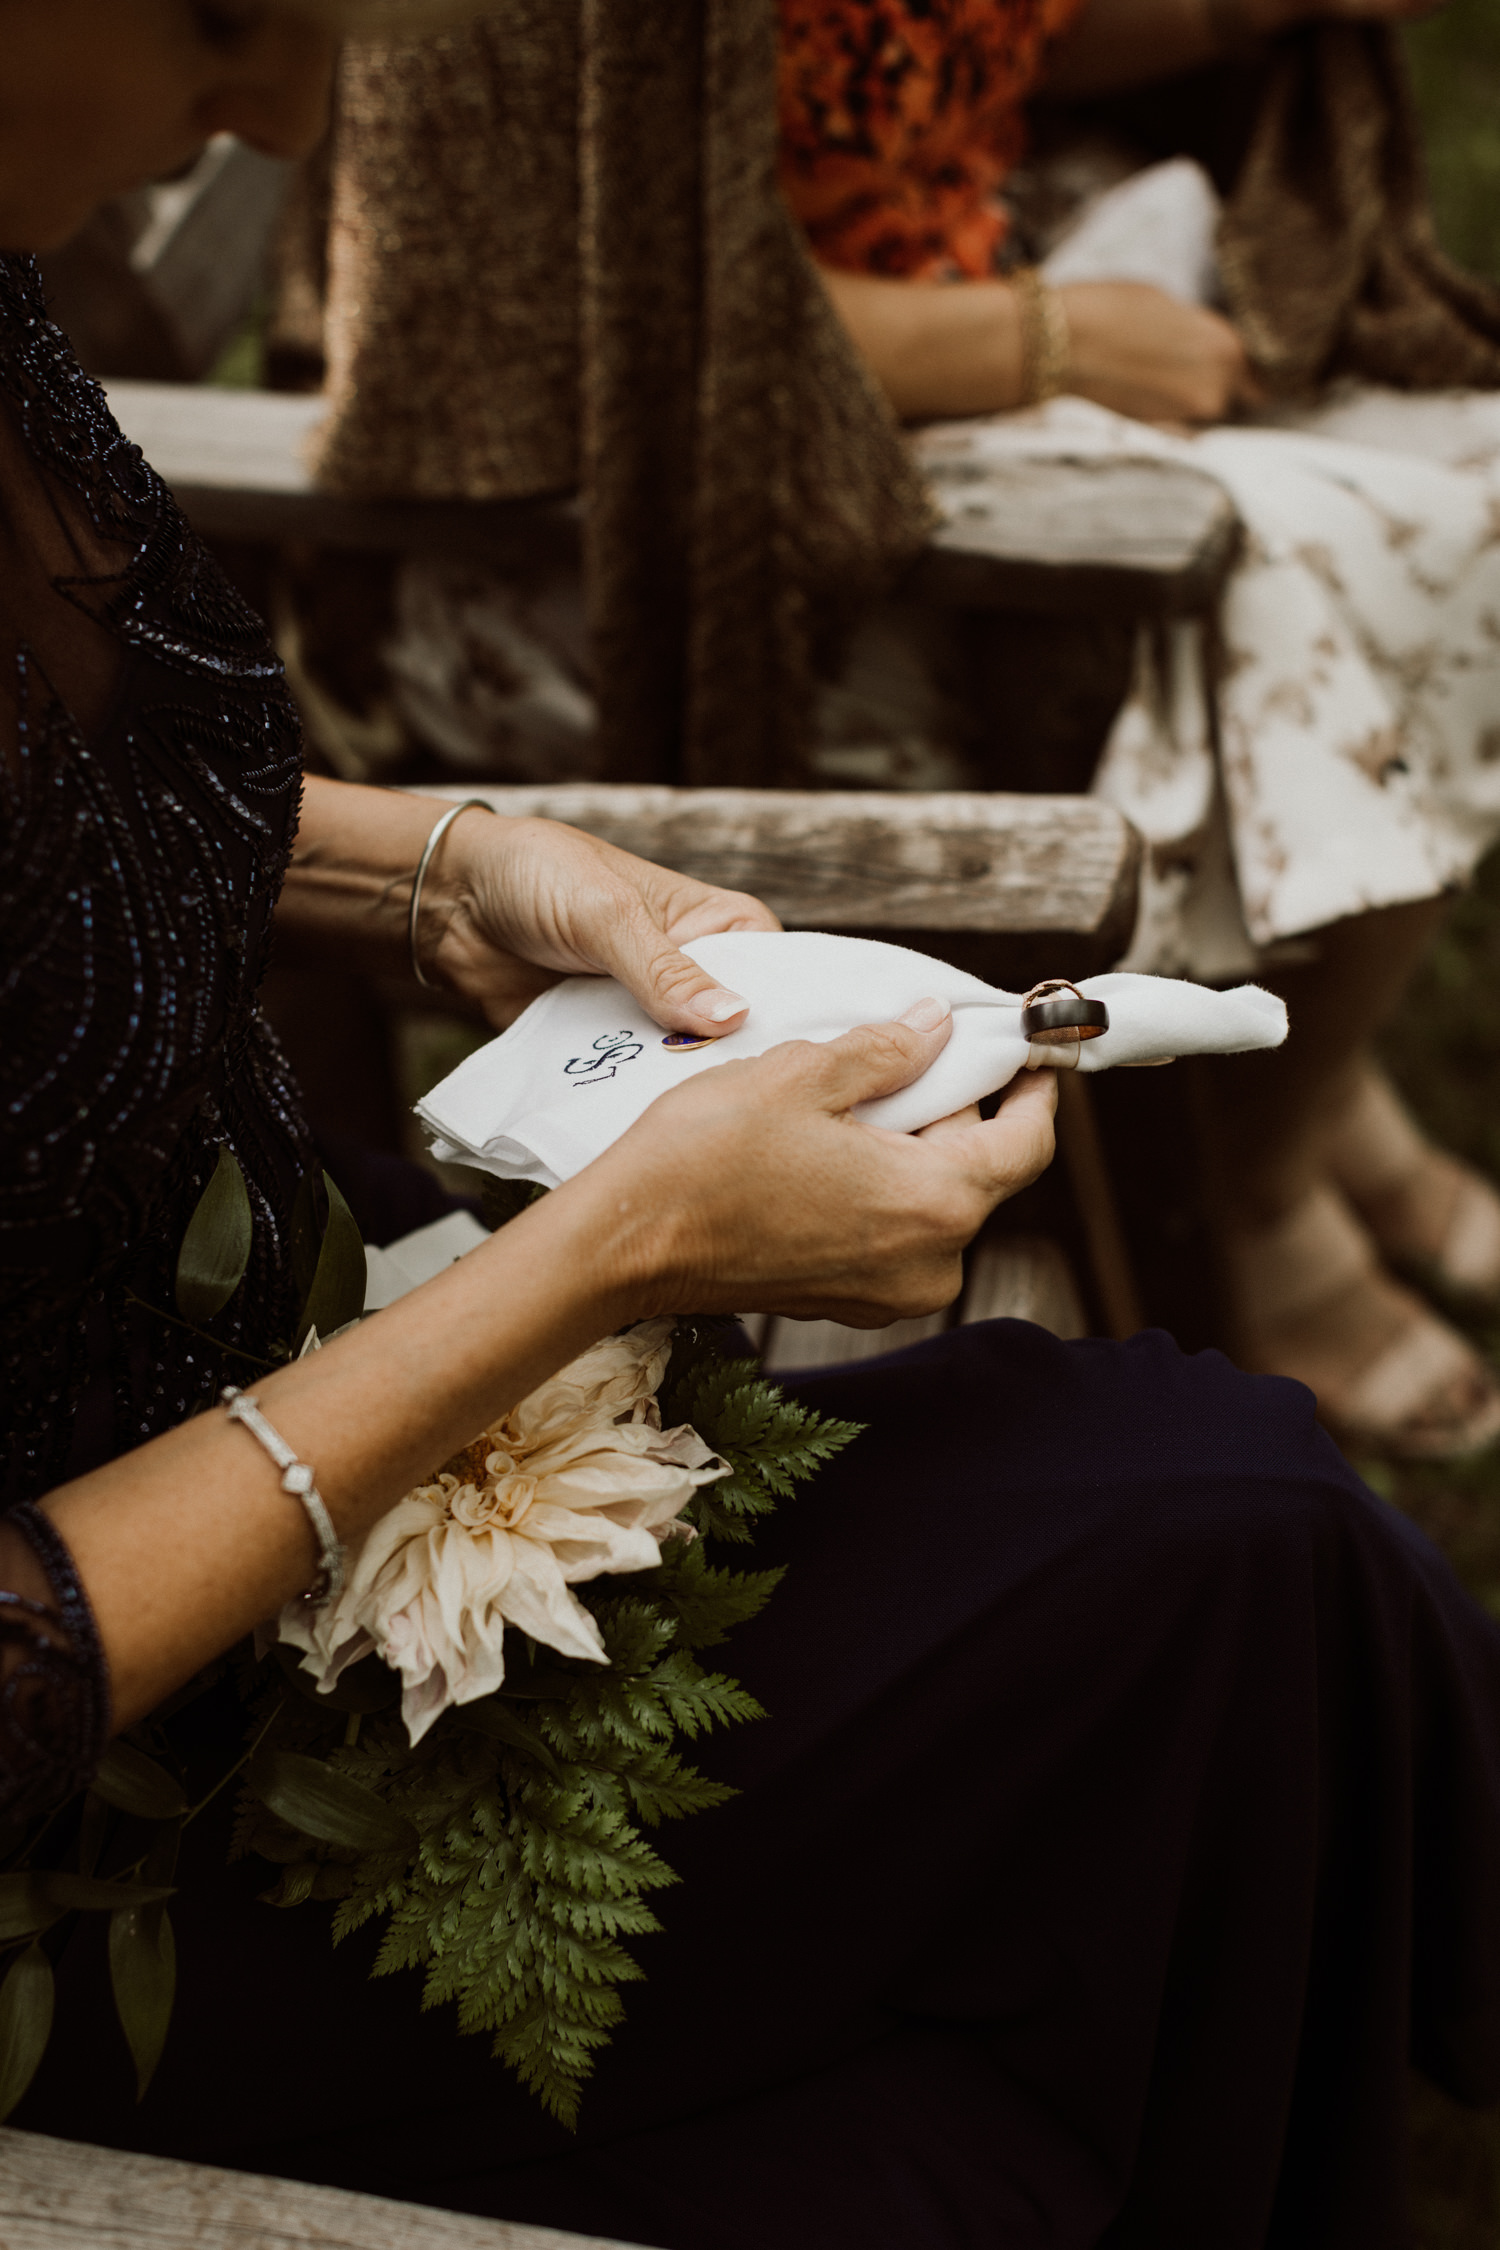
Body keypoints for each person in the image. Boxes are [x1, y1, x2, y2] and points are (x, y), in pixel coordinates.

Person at [3, 7, 1500, 2247]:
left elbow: (65, 816)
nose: (298, 109)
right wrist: (603, 1260)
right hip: (122, 1845)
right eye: (221, 19)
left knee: (1236, 1537)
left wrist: (444, 867)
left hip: (315, 1385)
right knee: (1198, 1646)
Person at [779, 0, 1500, 1461]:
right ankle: (1264, 1173)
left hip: (958, 281)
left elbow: (976, 45)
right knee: (1386, 559)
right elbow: (616, 324)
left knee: (1475, 476)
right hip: (750, 494)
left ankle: (1309, 1070)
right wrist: (1045, 336)